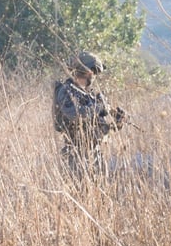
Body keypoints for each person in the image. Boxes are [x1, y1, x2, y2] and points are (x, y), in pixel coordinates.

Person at [53, 51, 127, 180]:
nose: (95, 77)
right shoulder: (66, 91)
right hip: (75, 155)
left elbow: (101, 128)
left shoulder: (89, 95)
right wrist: (99, 107)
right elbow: (75, 115)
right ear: (90, 72)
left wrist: (117, 122)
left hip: (95, 154)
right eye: (95, 73)